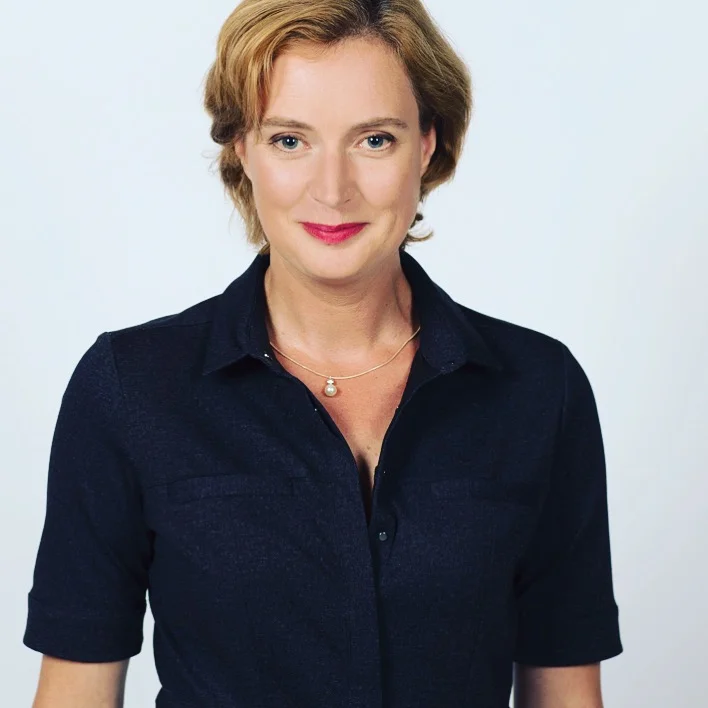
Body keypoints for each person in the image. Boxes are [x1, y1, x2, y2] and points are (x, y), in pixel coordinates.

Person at [23, 0, 623, 706]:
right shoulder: (129, 389)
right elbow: (75, 692)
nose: (333, 190)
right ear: (241, 148)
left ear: (427, 145)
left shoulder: (539, 390)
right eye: (289, 140)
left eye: (375, 139)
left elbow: (566, 693)